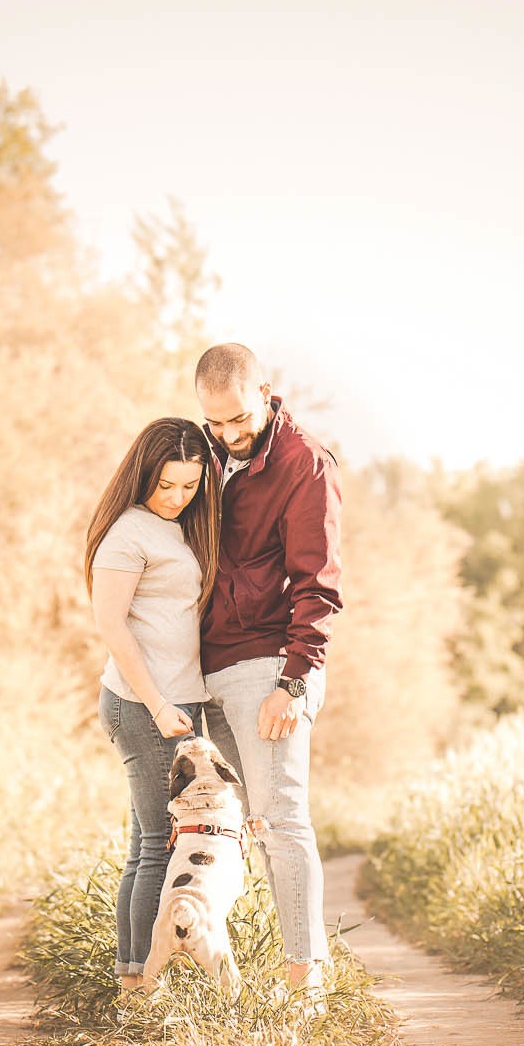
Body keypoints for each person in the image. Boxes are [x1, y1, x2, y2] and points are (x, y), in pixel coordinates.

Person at [193, 343, 344, 996]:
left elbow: (320, 583)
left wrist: (294, 679)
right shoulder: (199, 453)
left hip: (271, 662)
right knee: (253, 826)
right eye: (213, 420)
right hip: (208, 666)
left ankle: (304, 984)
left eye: (236, 419)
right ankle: (301, 965)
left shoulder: (303, 462)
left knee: (282, 819)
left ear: (265, 393)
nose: (226, 433)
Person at [84, 417, 222, 994]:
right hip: (142, 705)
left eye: (188, 487)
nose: (175, 497)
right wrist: (160, 705)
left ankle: (135, 977)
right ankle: (139, 987)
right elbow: (111, 625)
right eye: (165, 484)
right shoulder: (127, 532)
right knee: (156, 848)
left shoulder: (179, 529)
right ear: (143, 474)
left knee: (151, 843)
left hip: (176, 702)